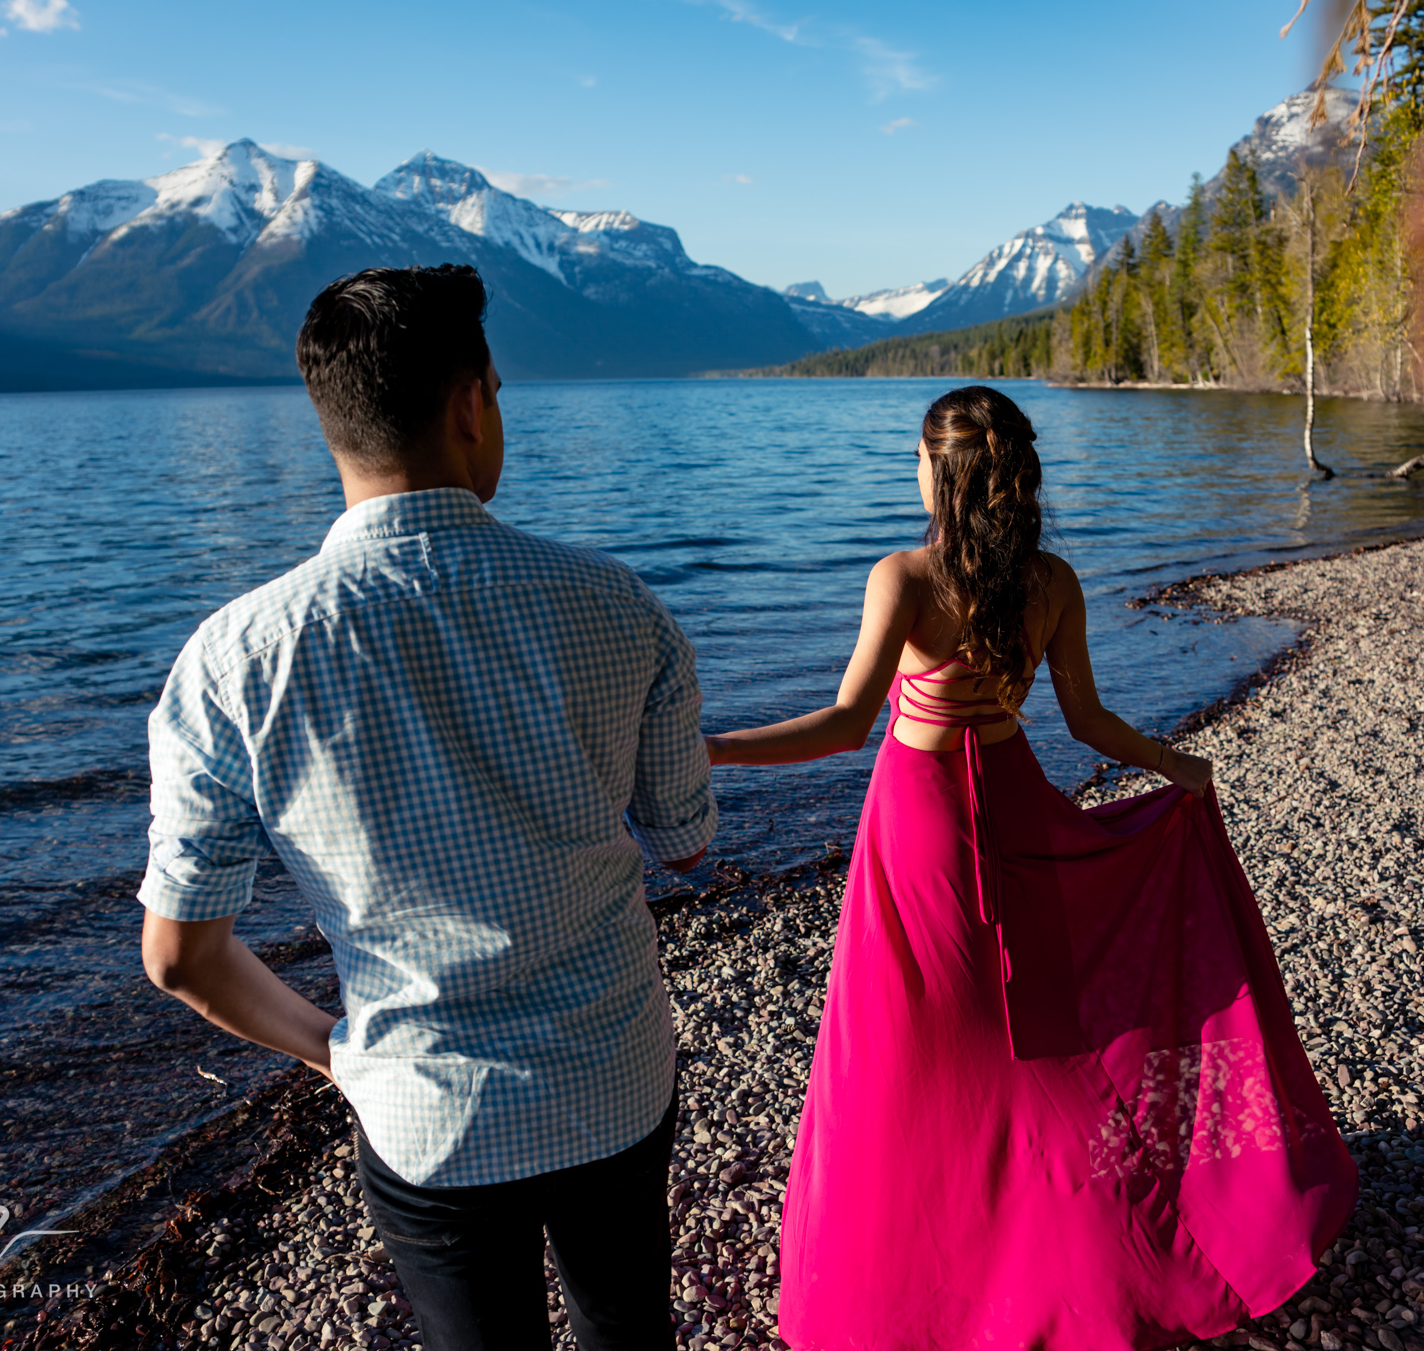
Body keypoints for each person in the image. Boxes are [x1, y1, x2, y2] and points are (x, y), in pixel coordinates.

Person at [135, 264, 713, 1351]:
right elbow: (682, 842)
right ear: (467, 403)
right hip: (616, 1074)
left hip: (424, 1112)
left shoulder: (233, 659)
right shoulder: (618, 604)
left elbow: (180, 959)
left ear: (331, 422)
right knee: (629, 1326)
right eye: (494, 388)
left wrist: (338, 1054)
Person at [707, 386, 1357, 1349]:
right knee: (1037, 1022)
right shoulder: (1052, 580)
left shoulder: (904, 576)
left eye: (917, 457)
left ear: (938, 470)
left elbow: (847, 725)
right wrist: (1171, 765)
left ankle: (931, 1264)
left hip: (920, 815)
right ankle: (1073, 1229)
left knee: (916, 1038)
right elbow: (1088, 723)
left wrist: (710, 748)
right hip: (1014, 792)